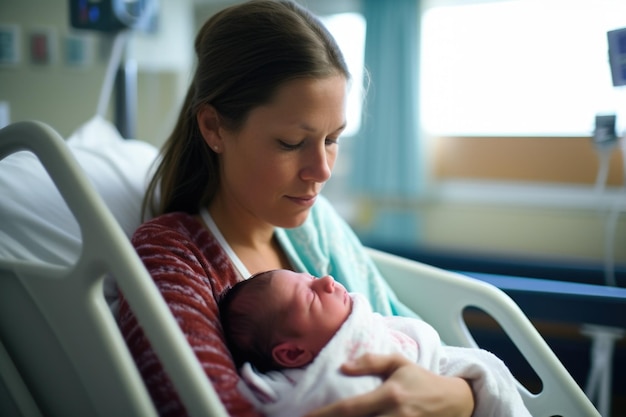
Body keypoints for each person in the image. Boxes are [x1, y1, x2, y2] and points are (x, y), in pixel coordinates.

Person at [116, 1, 476, 416]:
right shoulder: (174, 254)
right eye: (291, 143)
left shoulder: (316, 227)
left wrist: (462, 395)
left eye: (333, 139)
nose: (321, 171)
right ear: (214, 127)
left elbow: (414, 344)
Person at [218, 269, 532, 417]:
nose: (326, 280)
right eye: (310, 295)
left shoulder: (370, 324)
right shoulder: (304, 388)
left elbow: (442, 358)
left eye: (310, 276)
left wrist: (466, 394)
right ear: (293, 352)